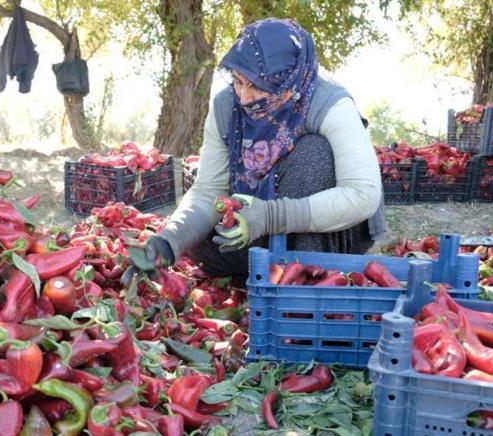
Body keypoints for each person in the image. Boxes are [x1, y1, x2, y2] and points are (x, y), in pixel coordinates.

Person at [130, 17, 385, 278]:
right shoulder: (226, 106)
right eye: (238, 81)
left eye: (257, 86)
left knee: (313, 153)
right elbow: (208, 191)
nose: (243, 97)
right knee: (199, 236)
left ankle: (305, 280)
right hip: (253, 228)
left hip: (320, 237)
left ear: (288, 82)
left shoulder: (329, 103)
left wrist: (271, 215)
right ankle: (265, 270)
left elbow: (362, 193)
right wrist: (168, 243)